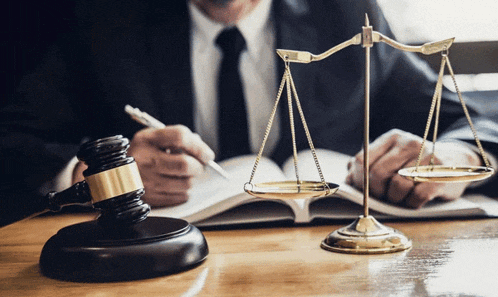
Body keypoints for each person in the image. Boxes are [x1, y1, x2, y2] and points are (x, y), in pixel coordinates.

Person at [1, 0, 497, 225]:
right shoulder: (105, 21)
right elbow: (14, 142)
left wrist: (446, 159)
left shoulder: (344, 15)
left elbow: (474, 121)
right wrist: (105, 179)